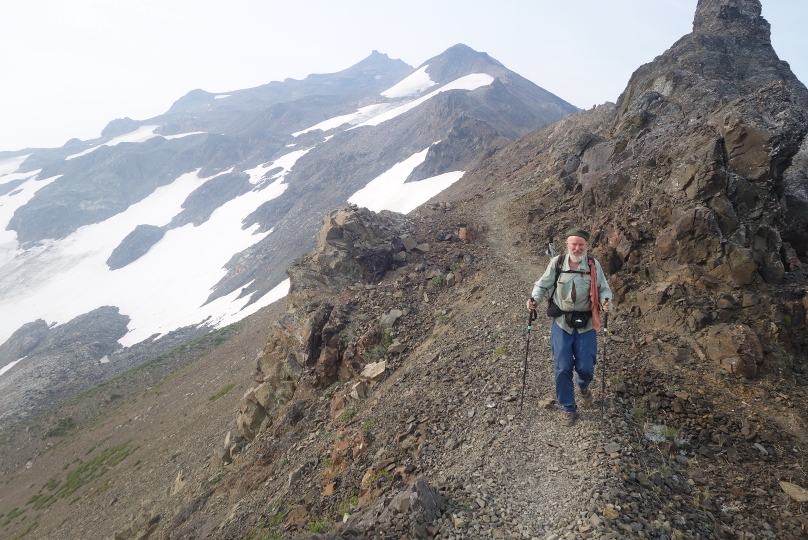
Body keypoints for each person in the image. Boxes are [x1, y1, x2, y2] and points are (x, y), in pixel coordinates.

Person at [526, 228, 612, 426]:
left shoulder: (593, 264)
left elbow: (604, 288)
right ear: (567, 244)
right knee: (563, 366)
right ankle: (568, 407)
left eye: (581, 244)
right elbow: (541, 285)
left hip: (587, 323)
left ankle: (583, 386)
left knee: (586, 367)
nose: (577, 248)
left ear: (586, 246)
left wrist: (606, 301)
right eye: (574, 244)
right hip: (561, 323)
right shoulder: (557, 263)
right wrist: (534, 300)